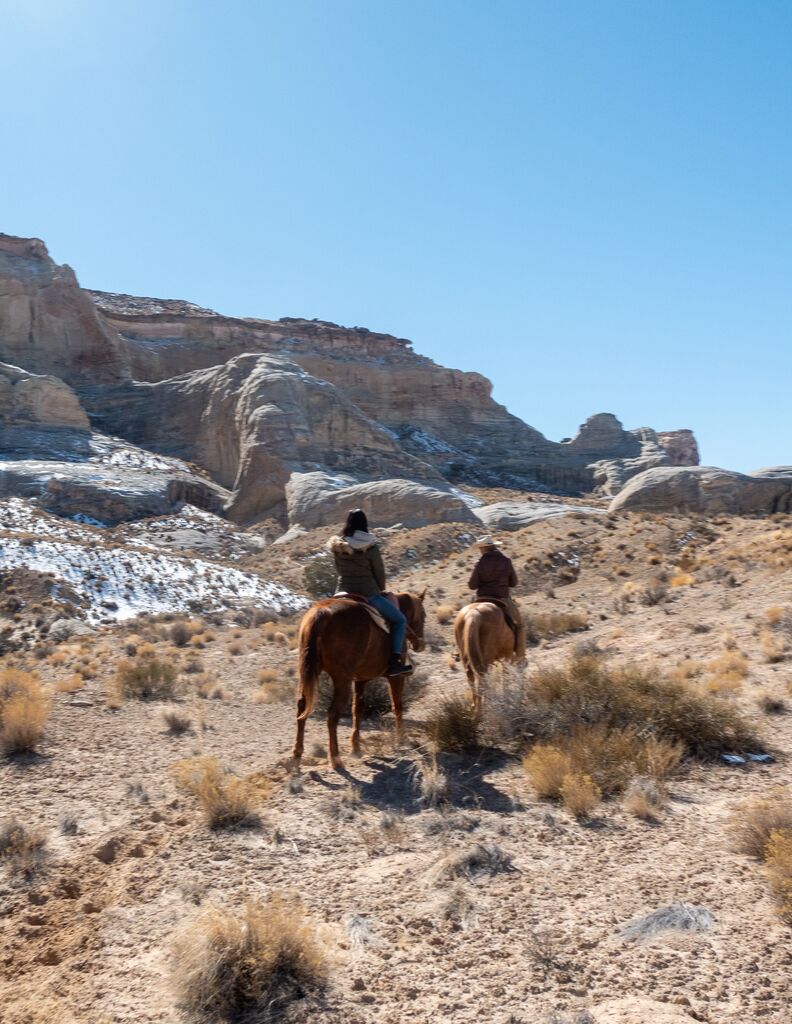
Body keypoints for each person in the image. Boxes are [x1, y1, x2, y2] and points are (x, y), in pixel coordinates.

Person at [327, 509, 413, 677]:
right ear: (364, 524)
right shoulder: (371, 547)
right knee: (400, 620)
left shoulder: (338, 546)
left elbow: (338, 571)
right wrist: (380, 589)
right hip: (368, 593)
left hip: (342, 592)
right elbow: (379, 572)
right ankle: (395, 661)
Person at [468, 535, 526, 658]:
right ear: (493, 546)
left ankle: (458, 651)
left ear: (484, 548)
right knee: (519, 624)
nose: (480, 550)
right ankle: (521, 656)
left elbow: (472, 586)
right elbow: (514, 582)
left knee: (467, 619)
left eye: (480, 548)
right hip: (502, 599)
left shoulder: (479, 563)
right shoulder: (506, 561)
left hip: (481, 599)